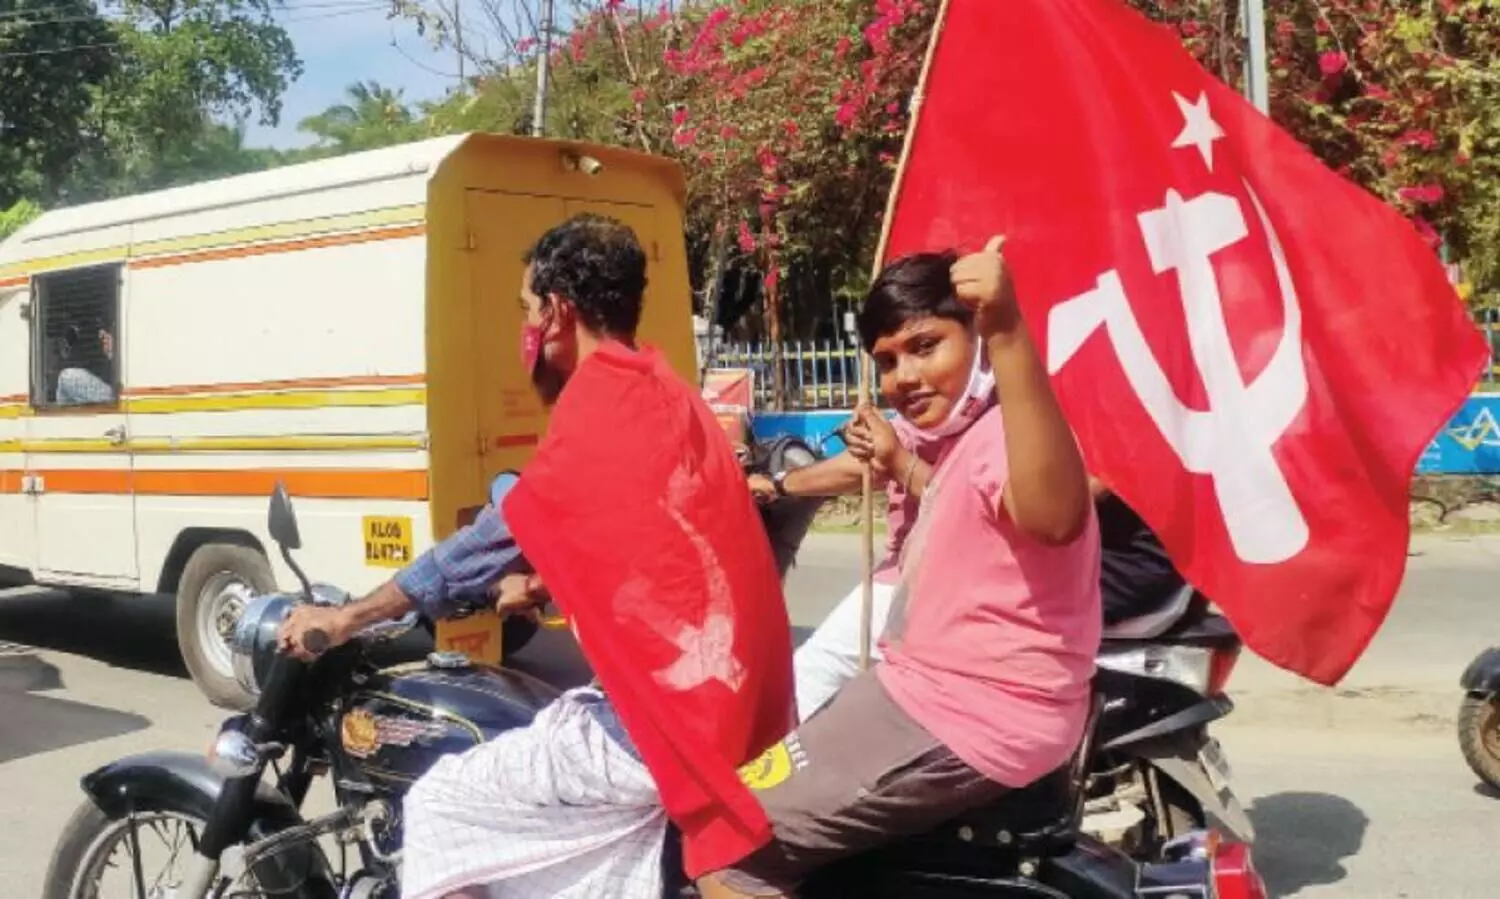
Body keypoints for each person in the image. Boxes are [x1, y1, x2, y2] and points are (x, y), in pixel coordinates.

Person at [278, 214, 795, 899]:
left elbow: (487, 541)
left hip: (666, 724)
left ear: (556, 310)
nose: (526, 327)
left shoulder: (600, 401)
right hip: (736, 703)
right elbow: (651, 543)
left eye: (527, 308)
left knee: (439, 805)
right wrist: (551, 582)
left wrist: (348, 617)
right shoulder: (661, 387)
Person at [703, 239, 1102, 898]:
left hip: (970, 713)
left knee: (727, 837)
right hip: (928, 691)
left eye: (926, 346)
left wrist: (1007, 328)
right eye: (887, 361)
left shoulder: (1012, 433)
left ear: (977, 338)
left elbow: (1056, 515)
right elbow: (927, 487)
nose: (903, 377)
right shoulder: (964, 436)